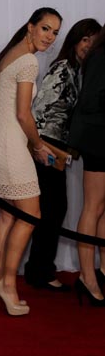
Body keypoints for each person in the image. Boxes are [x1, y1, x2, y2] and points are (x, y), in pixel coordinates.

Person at [0, 7, 62, 315]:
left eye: (55, 32)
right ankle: (7, 284)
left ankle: (1, 283)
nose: (50, 37)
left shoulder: (10, 54)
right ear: (30, 26)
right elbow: (22, 114)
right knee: (31, 215)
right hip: (11, 148)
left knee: (8, 216)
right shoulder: (28, 61)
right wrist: (38, 145)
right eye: (45, 28)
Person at [24, 18, 101, 292]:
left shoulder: (81, 71)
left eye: (94, 41)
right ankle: (39, 271)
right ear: (75, 41)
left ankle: (41, 269)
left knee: (54, 210)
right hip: (47, 145)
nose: (88, 45)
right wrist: (39, 146)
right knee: (52, 209)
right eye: (85, 39)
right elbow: (39, 110)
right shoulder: (63, 68)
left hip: (58, 147)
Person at [69, 23, 105, 307]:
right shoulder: (100, 56)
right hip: (98, 139)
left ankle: (103, 271)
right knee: (93, 206)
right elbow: (91, 101)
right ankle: (87, 276)